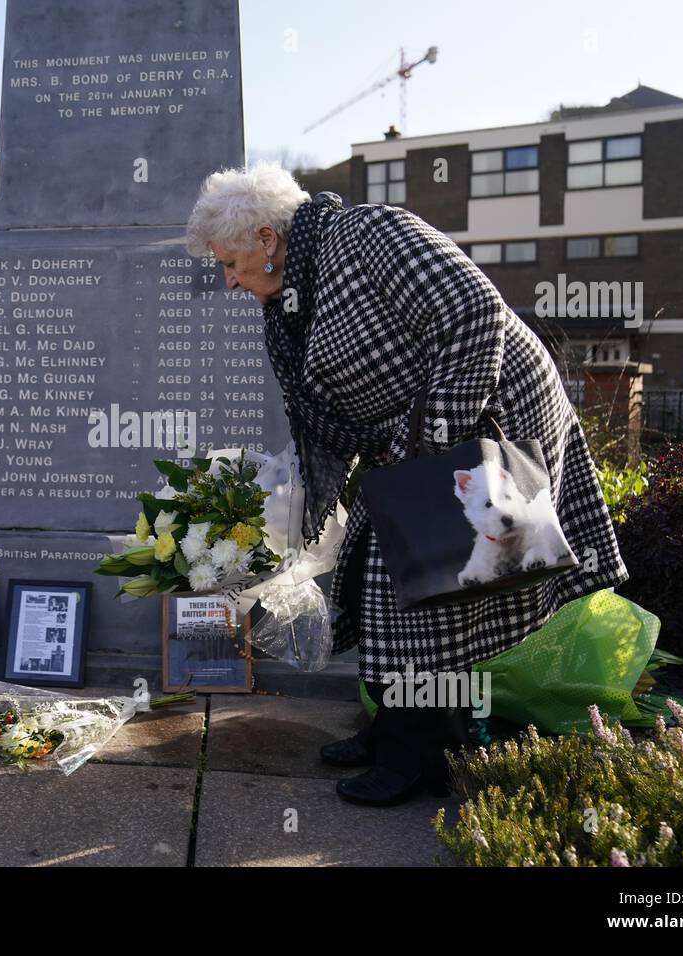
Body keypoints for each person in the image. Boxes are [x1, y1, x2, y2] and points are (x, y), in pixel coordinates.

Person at [184, 162, 629, 806]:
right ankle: (394, 726)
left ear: (265, 238)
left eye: (230, 262)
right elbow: (322, 409)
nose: (228, 280)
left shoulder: (371, 234)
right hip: (412, 440)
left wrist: (436, 446)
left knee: (422, 594)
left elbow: (477, 312)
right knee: (373, 572)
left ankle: (422, 757)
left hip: (490, 422)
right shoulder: (294, 297)